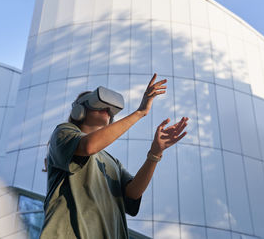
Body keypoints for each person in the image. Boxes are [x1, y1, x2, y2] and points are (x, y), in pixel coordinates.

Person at [40, 73, 189, 239]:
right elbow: (88, 146)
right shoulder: (63, 132)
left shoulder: (112, 162)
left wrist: (155, 153)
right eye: (98, 104)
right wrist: (140, 112)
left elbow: (133, 192)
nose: (108, 110)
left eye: (110, 109)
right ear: (79, 110)